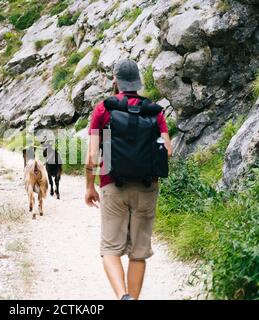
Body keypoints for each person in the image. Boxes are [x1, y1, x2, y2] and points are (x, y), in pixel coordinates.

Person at [84, 60, 172, 300]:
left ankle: (123, 296)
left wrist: (89, 186)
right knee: (138, 253)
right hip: (147, 187)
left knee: (110, 249)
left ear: (116, 81)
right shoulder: (154, 111)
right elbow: (168, 149)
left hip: (113, 185)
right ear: (139, 82)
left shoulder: (103, 109)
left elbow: (92, 155)